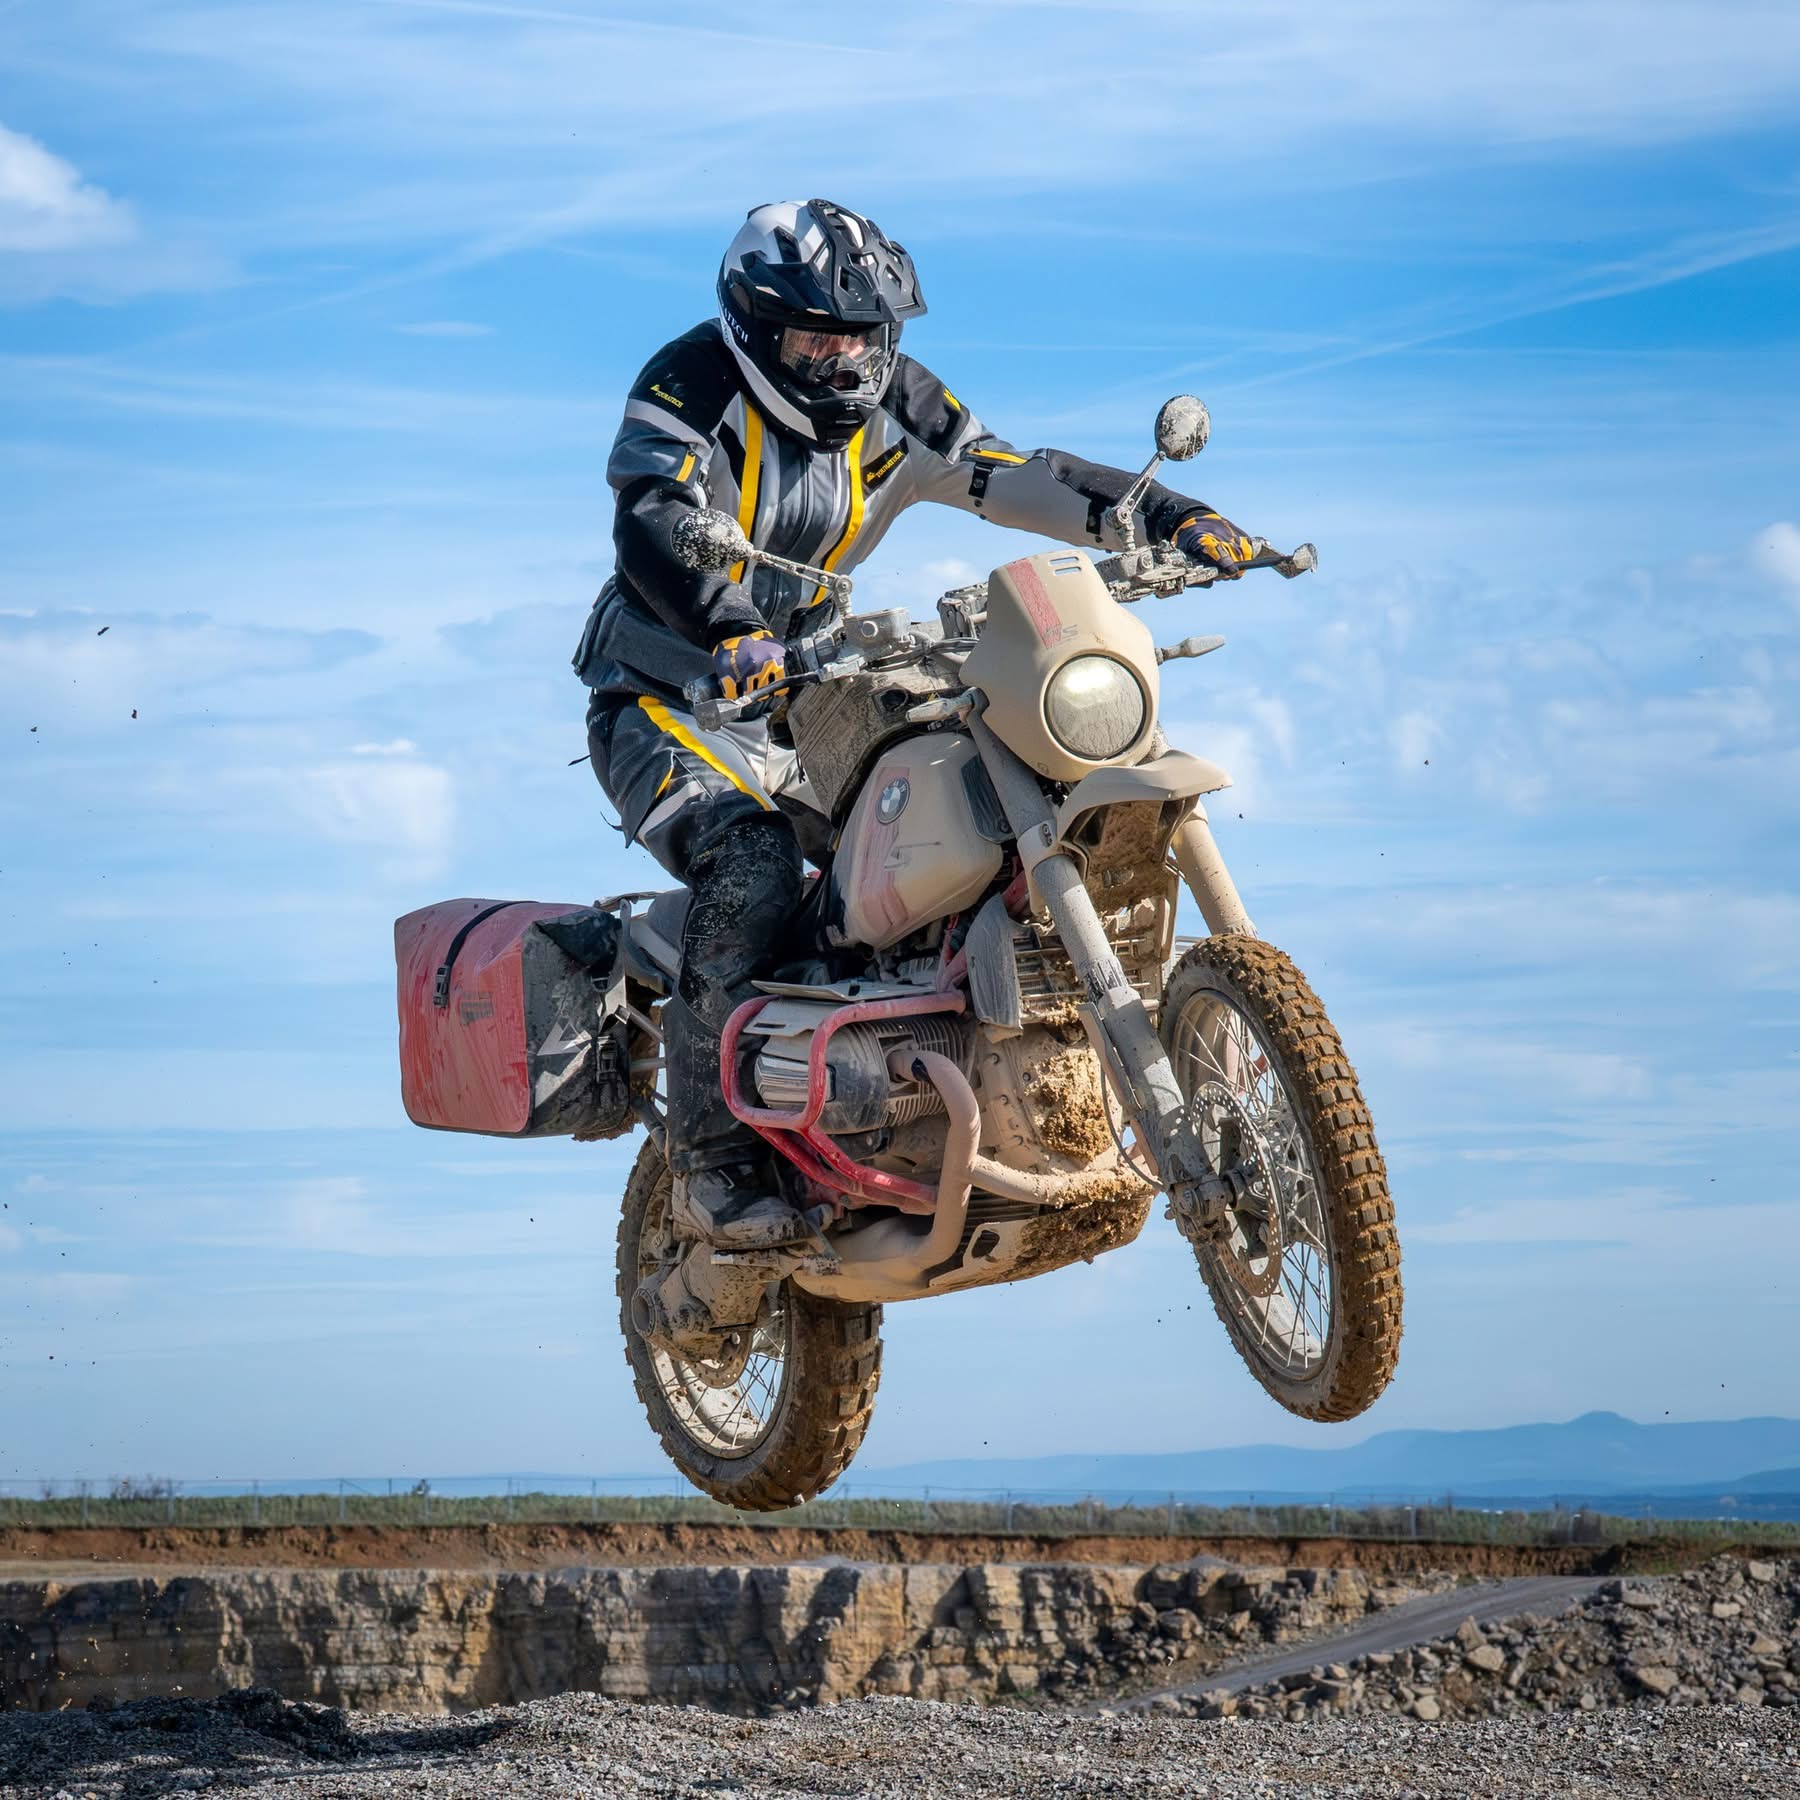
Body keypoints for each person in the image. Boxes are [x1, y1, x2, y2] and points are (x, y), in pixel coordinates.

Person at [574, 198, 1258, 1251]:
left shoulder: (898, 398)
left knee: (939, 820)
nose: (844, 360)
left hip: (807, 696)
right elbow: (654, 516)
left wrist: (1167, 515)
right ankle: (711, 1164)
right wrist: (731, 626)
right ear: (755, 327)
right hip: (667, 696)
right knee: (751, 862)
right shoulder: (690, 383)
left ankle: (906, 1085)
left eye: (863, 337)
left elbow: (1013, 475)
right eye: (816, 338)